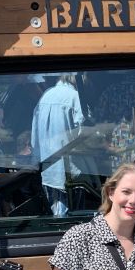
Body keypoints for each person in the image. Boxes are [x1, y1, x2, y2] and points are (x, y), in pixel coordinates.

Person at [32, 73, 86, 217]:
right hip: (70, 173)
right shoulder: (75, 97)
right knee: (72, 221)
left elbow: (34, 140)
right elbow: (85, 136)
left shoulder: (44, 97)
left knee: (54, 218)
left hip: (47, 172)